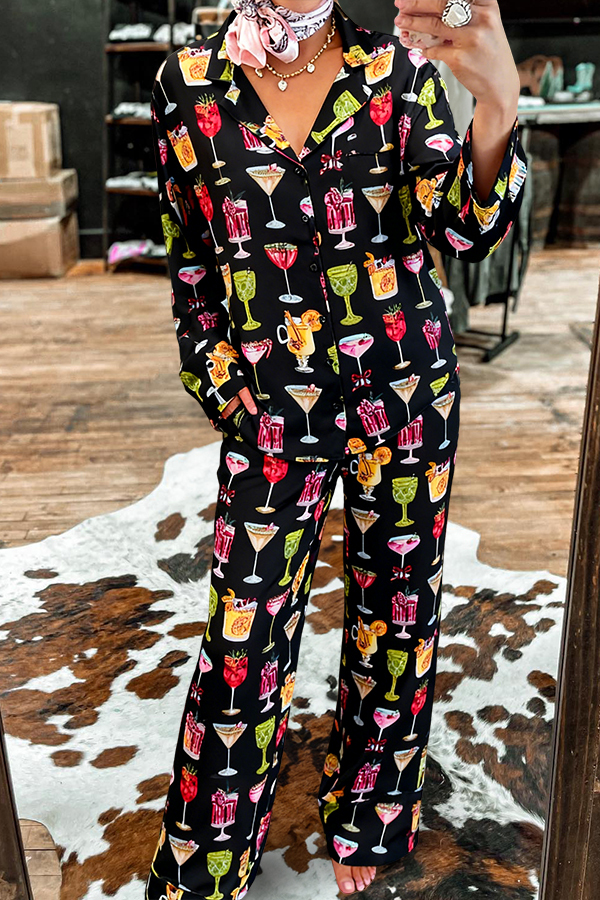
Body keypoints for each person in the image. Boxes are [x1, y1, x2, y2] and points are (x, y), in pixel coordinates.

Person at [145, 0, 527, 896]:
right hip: (272, 405)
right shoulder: (187, 83)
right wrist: (217, 376)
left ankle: (370, 811)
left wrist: (498, 106)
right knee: (243, 629)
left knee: (398, 609)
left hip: (405, 390)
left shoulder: (397, 70)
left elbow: (465, 232)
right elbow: (190, 256)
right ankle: (207, 862)